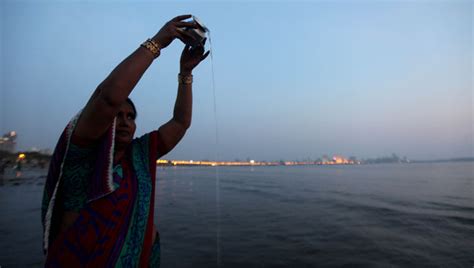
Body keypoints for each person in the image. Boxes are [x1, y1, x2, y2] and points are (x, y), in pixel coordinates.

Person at [41, 15, 209, 267]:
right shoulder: (81, 154)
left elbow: (180, 123)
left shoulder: (140, 154)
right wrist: (159, 42)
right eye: (117, 116)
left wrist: (185, 73)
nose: (125, 121)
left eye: (131, 116)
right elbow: (107, 99)